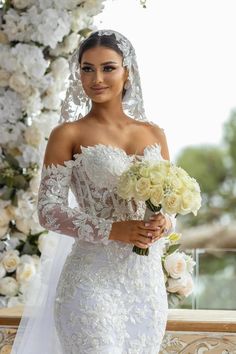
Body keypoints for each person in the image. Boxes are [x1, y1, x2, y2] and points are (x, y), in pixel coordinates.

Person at [11, 29, 176, 354]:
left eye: (108, 67)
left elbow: (169, 207)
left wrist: (164, 223)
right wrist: (114, 230)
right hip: (91, 282)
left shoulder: (154, 134)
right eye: (87, 68)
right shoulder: (68, 133)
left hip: (145, 288)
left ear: (128, 71)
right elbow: (49, 210)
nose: (96, 78)